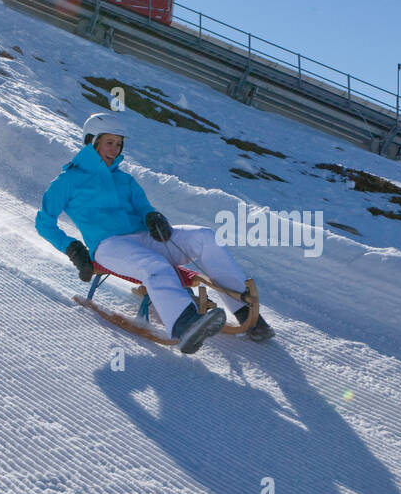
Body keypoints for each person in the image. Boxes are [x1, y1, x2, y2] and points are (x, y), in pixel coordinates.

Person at [36, 112, 274, 353]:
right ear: (92, 141)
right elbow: (44, 222)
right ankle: (184, 325)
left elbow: (143, 208)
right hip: (109, 246)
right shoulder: (67, 180)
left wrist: (153, 217)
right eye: (109, 142)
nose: (115, 150)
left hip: (143, 238)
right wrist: (73, 248)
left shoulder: (125, 180)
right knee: (155, 265)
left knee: (205, 237)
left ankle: (244, 311)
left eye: (119, 144)